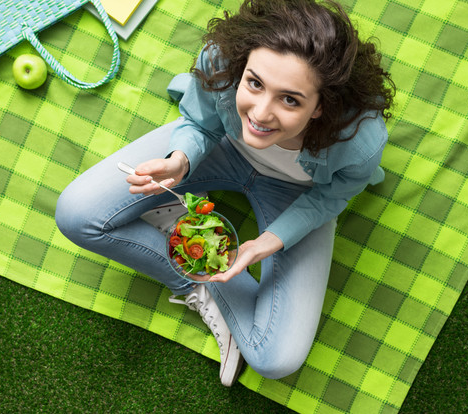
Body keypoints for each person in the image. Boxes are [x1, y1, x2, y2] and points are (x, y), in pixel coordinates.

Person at [55, 0, 395, 386]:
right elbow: (199, 122)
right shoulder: (221, 58)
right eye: (254, 83)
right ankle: (192, 272)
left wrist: (269, 242)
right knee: (76, 214)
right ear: (242, 67)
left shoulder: (360, 140)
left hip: (298, 193)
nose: (261, 114)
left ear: (321, 106)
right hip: (221, 150)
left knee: (275, 360)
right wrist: (180, 161)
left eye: (290, 99)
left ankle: (189, 245)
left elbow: (331, 198)